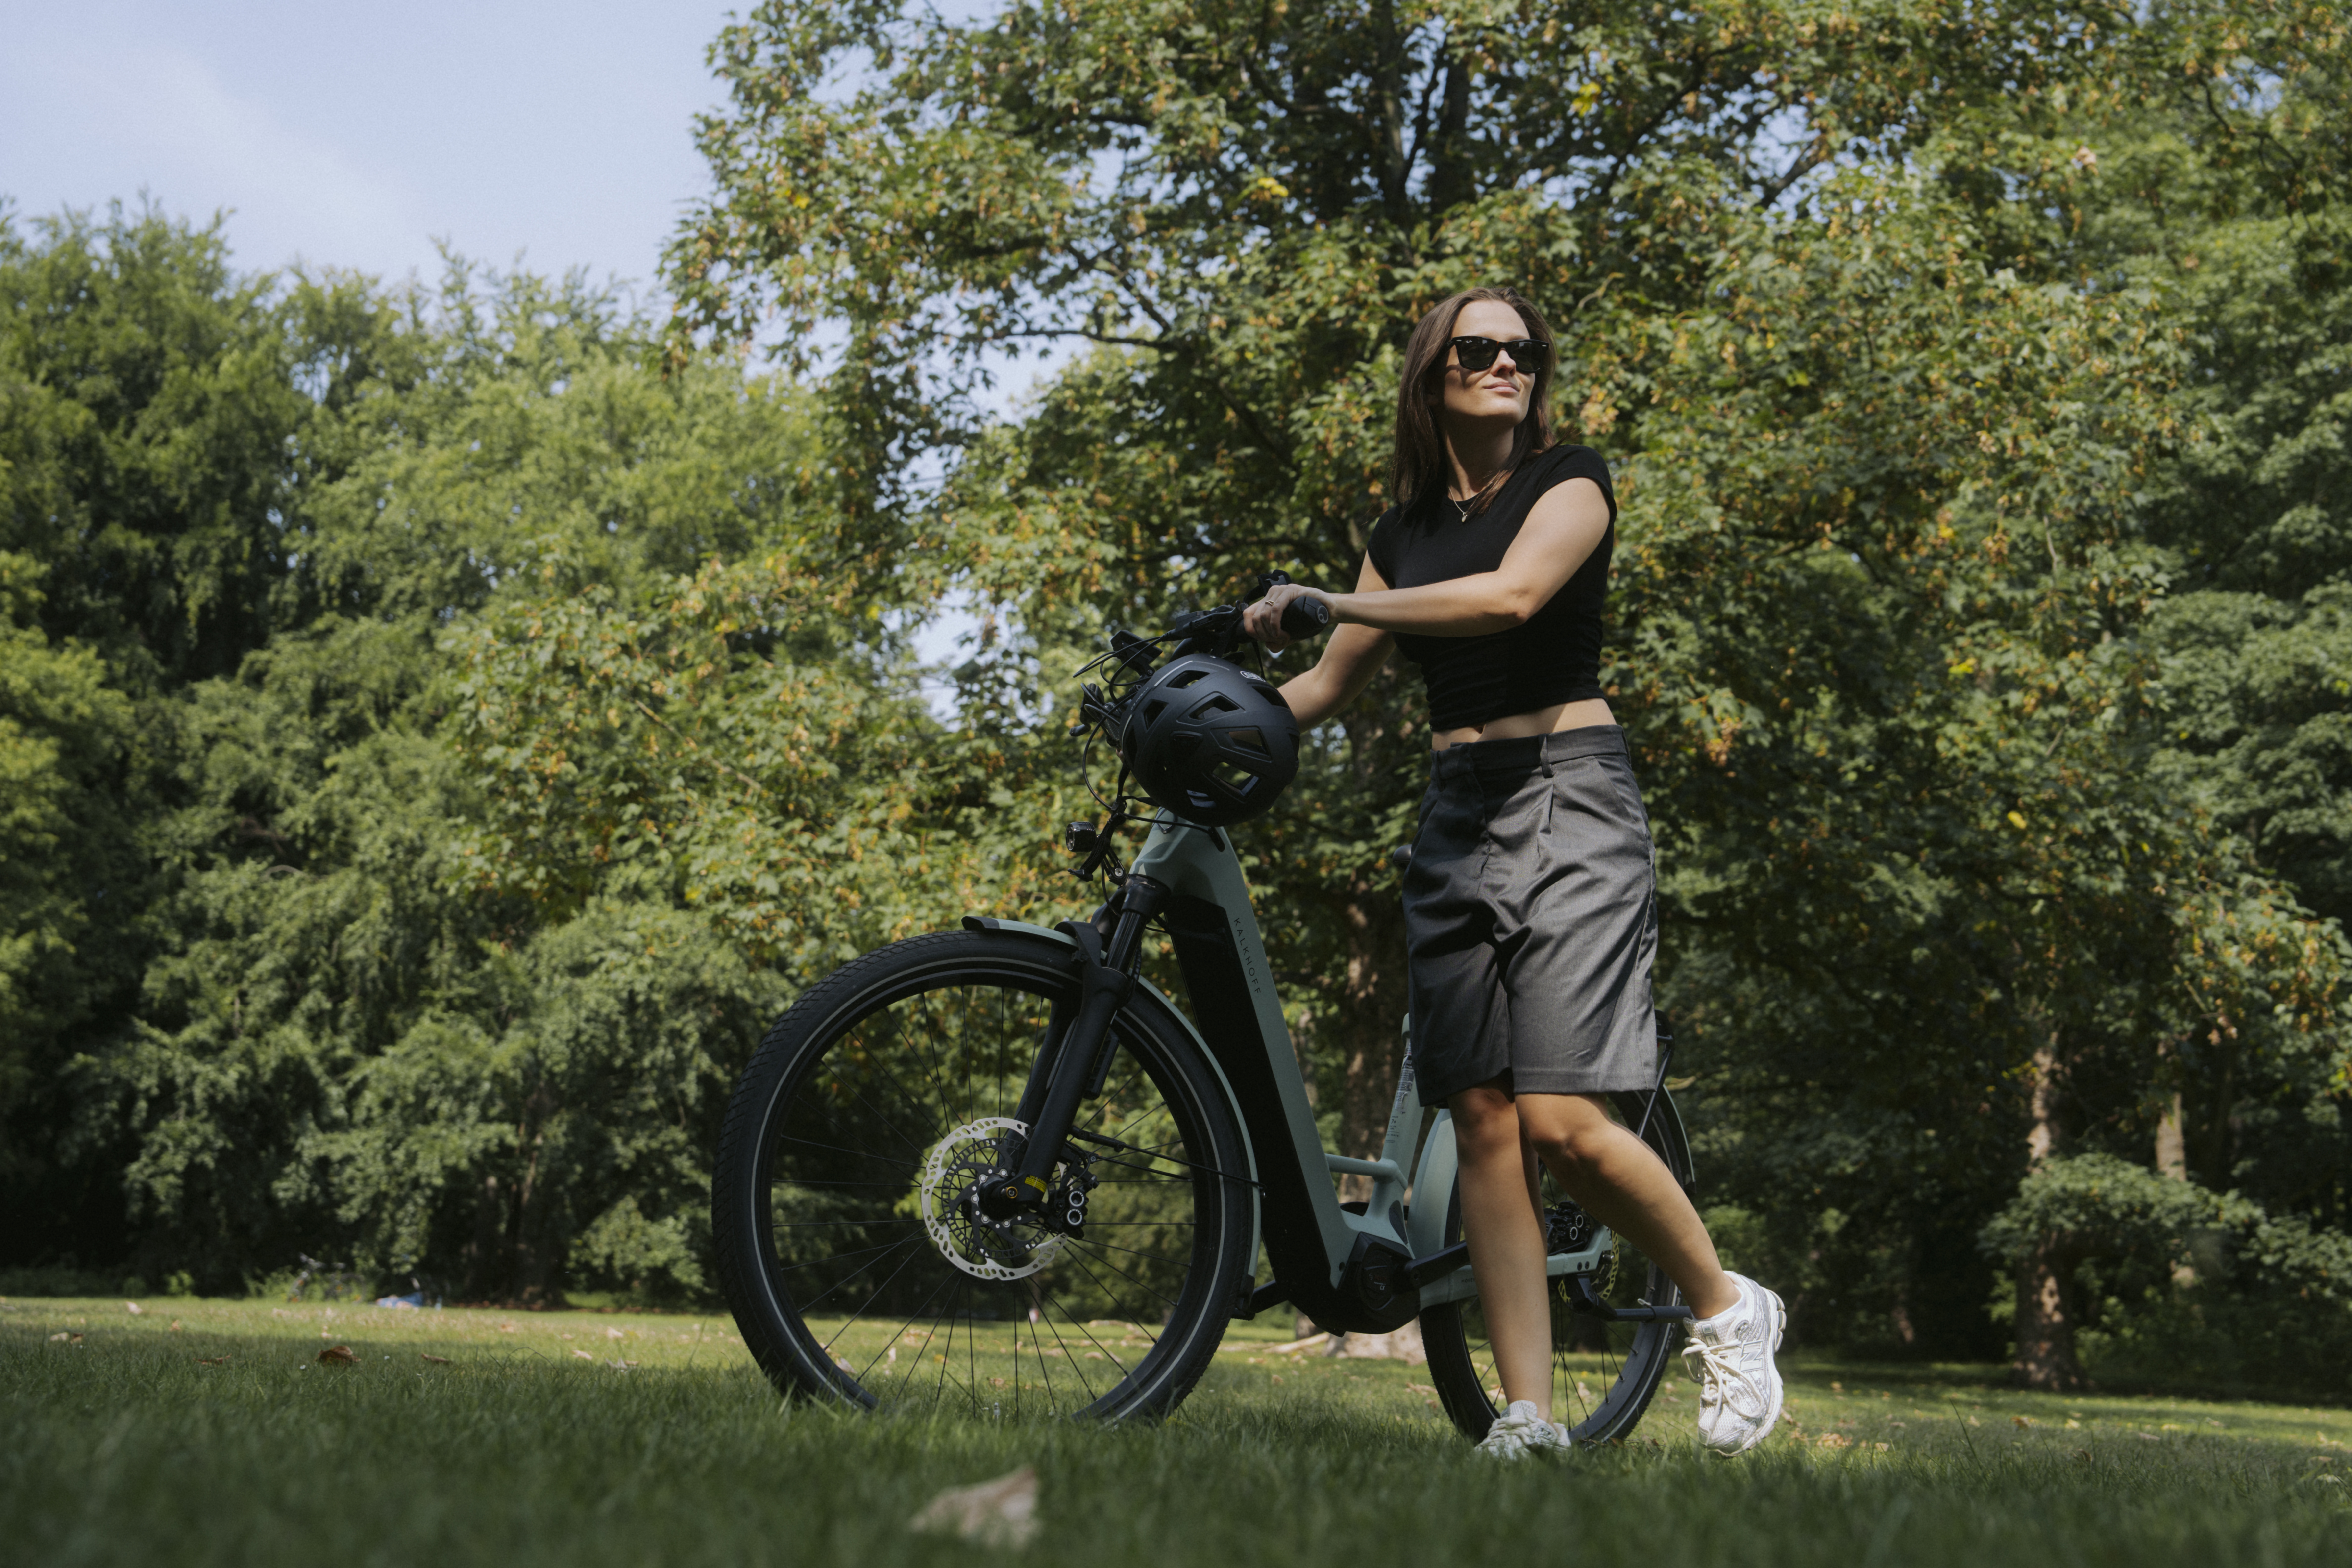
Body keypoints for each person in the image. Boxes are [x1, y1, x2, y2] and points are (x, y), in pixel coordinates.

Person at [1242, 286, 1784, 1460]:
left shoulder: (1570, 481)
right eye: (1478, 348)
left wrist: (1330, 598)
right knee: (1482, 1118)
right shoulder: (1401, 536)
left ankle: (1730, 1307)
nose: (1505, 364)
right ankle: (1527, 1418)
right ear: (1431, 372)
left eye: (1522, 350)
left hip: (1569, 795)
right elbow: (1326, 690)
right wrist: (1203, 712)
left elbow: (1511, 599)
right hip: (1454, 811)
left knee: (1561, 1119)